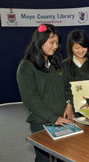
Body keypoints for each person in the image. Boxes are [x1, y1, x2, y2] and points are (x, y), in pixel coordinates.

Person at [16, 24, 72, 162]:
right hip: (41, 123)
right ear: (40, 41)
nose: (55, 46)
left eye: (57, 43)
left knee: (64, 156)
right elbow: (30, 99)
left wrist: (69, 104)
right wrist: (53, 118)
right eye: (51, 42)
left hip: (62, 121)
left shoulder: (56, 63)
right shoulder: (26, 66)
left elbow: (66, 87)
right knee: (43, 159)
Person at [62, 29, 89, 116]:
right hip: (72, 110)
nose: (81, 50)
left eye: (83, 47)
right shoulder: (64, 66)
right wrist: (69, 105)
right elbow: (64, 88)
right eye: (77, 48)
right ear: (71, 48)